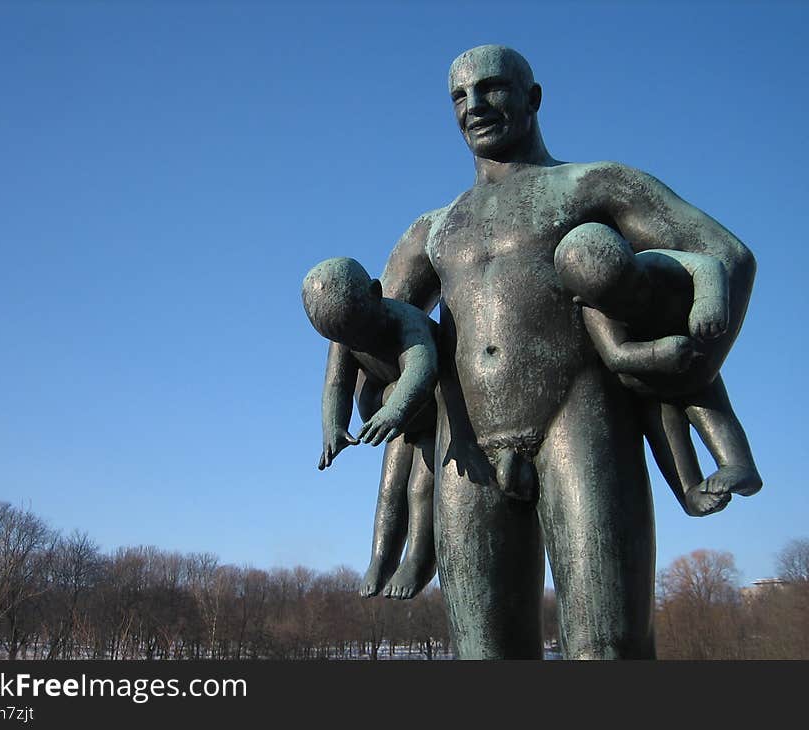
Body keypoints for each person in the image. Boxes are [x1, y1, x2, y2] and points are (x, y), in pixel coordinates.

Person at [324, 45, 756, 658]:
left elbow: (727, 255)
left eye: (492, 88)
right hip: (468, 444)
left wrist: (695, 362)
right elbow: (373, 326)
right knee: (484, 654)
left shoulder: (593, 185)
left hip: (579, 421)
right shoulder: (432, 229)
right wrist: (363, 382)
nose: (474, 105)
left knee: (607, 647)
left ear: (533, 97)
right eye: (459, 96)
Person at [554, 222, 762, 518]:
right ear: (584, 301)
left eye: (638, 285)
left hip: (690, 364)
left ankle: (738, 465)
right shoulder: (596, 313)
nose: (636, 300)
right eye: (620, 302)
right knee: (666, 433)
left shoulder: (657, 261)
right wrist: (657, 353)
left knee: (711, 408)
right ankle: (690, 491)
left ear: (631, 249)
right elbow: (616, 355)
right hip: (650, 383)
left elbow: (707, 266)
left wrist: (708, 303)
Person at [302, 257, 438, 599]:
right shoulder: (345, 335)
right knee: (389, 492)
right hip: (396, 419)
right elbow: (336, 385)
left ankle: (418, 559)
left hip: (433, 413)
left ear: (376, 294)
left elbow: (421, 369)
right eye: (346, 339)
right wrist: (333, 426)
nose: (356, 343)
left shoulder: (406, 321)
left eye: (360, 332)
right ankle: (381, 559)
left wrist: (394, 410)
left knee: (420, 491)